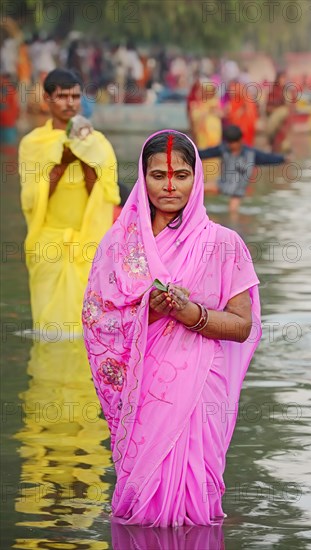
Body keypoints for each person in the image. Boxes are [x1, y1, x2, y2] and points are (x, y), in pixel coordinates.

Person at [82, 129, 262, 526]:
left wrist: (191, 314)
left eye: (180, 175)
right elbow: (98, 322)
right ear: (142, 178)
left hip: (199, 389)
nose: (168, 186)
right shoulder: (118, 246)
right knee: (142, 506)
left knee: (196, 508)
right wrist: (148, 311)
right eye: (157, 175)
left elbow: (242, 325)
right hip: (143, 387)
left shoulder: (223, 243)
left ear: (196, 178)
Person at [19, 68, 120, 337]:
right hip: (48, 244)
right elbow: (30, 199)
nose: (70, 103)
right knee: (48, 329)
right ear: (48, 99)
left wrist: (86, 161)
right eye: (62, 96)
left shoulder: (98, 143)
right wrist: (60, 165)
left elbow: (108, 195)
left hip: (88, 244)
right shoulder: (33, 144)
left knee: (87, 331)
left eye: (75, 96)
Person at [199, 125, 287, 214]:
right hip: (223, 184)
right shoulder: (223, 149)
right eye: (229, 143)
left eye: (233, 143)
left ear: (240, 140)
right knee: (198, 188)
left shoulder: (251, 154)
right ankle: (200, 212)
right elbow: (205, 153)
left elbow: (268, 158)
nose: (231, 145)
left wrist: (283, 159)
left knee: (233, 212)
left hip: (237, 190)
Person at [266, 71, 291, 153]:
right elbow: (268, 108)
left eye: (285, 78)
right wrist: (275, 111)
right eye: (282, 78)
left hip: (283, 122)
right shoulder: (273, 92)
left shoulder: (286, 92)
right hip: (274, 120)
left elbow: (290, 108)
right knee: (275, 144)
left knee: (283, 146)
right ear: (278, 79)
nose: (284, 80)